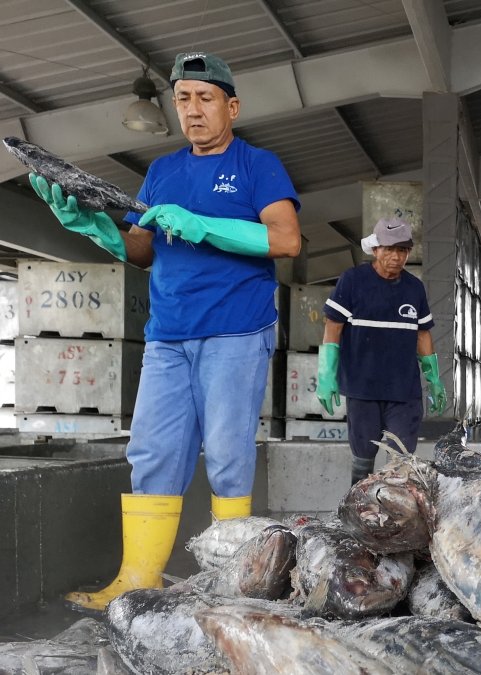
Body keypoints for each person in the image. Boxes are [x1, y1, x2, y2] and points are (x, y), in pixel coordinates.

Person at [29, 52, 302, 611]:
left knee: (226, 456)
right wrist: (95, 228)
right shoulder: (162, 172)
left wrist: (204, 226)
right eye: (183, 99)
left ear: (231, 107)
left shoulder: (258, 165)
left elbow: (286, 239)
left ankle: (233, 587)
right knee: (151, 451)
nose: (193, 110)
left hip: (235, 329)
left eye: (205, 98)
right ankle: (137, 580)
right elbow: (142, 250)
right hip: (168, 334)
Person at [316, 215, 447, 485]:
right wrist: (326, 375)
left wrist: (434, 378)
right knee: (363, 459)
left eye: (402, 250)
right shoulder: (352, 281)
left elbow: (422, 334)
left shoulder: (414, 288)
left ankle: (396, 508)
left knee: (401, 462)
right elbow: (333, 326)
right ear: (375, 249)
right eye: (389, 249)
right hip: (362, 388)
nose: (396, 257)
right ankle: (358, 505)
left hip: (404, 391)